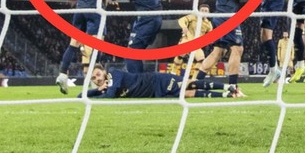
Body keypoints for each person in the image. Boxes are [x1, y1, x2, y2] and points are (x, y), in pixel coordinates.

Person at [195, 0, 255, 95]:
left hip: (223, 15)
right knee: (237, 48)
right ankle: (233, 87)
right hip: (226, 16)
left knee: (217, 52)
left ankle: (195, 83)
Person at [56, 0, 104, 94]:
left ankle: (63, 74)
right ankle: (95, 82)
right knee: (96, 44)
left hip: (80, 7)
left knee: (73, 43)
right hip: (94, 7)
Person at [107, 0, 163, 73]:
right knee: (134, 53)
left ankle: (137, 80)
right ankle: (138, 78)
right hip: (151, 16)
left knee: (131, 53)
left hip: (148, 18)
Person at [84, 63, 241, 99]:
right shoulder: (105, 88)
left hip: (156, 80)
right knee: (188, 94)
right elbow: (81, 96)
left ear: (103, 71)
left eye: (98, 74)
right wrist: (96, 91)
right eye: (94, 78)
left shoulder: (113, 74)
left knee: (189, 83)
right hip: (155, 93)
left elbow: (110, 95)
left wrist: (99, 93)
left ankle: (229, 86)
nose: (98, 79)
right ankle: (227, 95)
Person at [173, 2, 213, 75]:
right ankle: (173, 73)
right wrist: (184, 27)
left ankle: (194, 78)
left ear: (208, 12)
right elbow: (181, 20)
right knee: (181, 55)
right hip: (187, 39)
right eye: (202, 10)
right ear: (199, 11)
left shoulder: (208, 24)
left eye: (206, 11)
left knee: (201, 60)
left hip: (196, 44)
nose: (203, 12)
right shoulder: (193, 17)